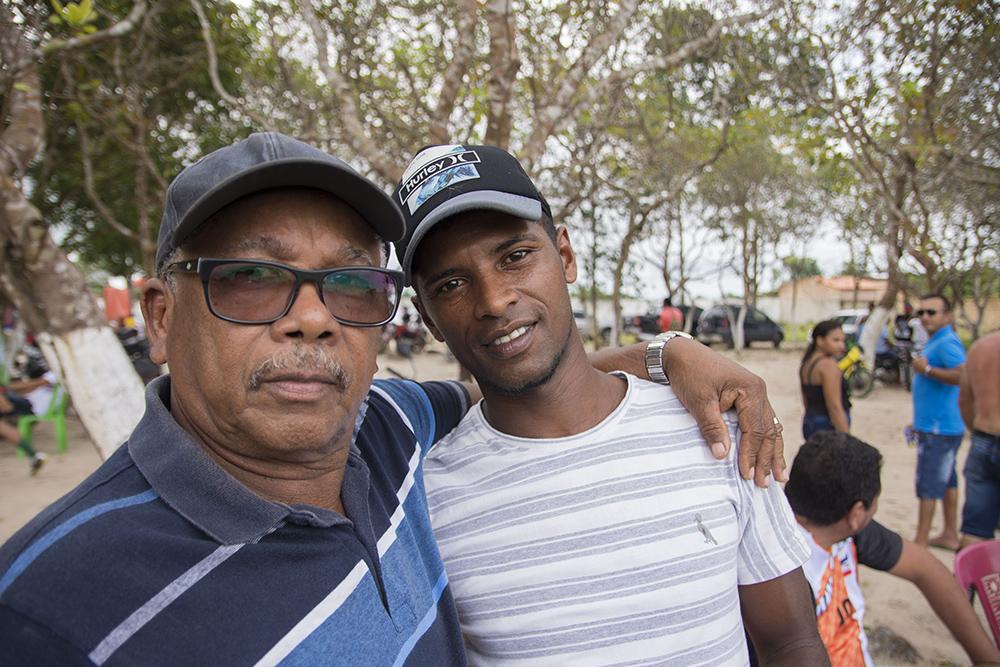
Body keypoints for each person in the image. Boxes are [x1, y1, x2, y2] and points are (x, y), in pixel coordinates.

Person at [0, 133, 788, 664]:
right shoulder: (47, 606)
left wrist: (668, 352)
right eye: (252, 278)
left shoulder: (394, 431)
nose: (310, 317)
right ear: (163, 318)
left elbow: (528, 372)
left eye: (348, 283)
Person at [395, 143, 828, 665]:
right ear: (429, 318)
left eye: (515, 257)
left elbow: (791, 642)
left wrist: (671, 351)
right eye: (452, 284)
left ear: (566, 255)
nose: (493, 300)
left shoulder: (714, 428)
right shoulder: (424, 502)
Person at [784, 431, 1000, 667]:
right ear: (856, 514)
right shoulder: (788, 583)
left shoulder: (835, 528)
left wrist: (987, 658)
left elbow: (925, 568)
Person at [910, 293, 966, 550]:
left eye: (931, 312)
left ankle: (920, 542)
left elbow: (963, 375)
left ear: (947, 316)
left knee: (929, 483)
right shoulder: (937, 340)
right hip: (938, 426)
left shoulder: (946, 343)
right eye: (921, 312)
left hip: (939, 428)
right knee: (946, 482)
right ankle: (949, 533)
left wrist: (928, 370)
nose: (925, 317)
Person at [959, 331, 1000, 549]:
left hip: (983, 439)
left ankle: (972, 582)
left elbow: (964, 400)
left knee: (974, 530)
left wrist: (976, 432)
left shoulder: (980, 347)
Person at [800, 320, 850, 439]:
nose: (841, 346)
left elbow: (806, 400)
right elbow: (834, 406)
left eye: (843, 341)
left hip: (810, 421)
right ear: (820, 340)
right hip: (828, 426)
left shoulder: (807, 363)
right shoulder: (828, 365)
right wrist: (847, 439)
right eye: (835, 340)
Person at [0, 387, 46, 474]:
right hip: (15, 401)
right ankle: (34, 455)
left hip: (16, 404)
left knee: (2, 426)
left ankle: (34, 455)